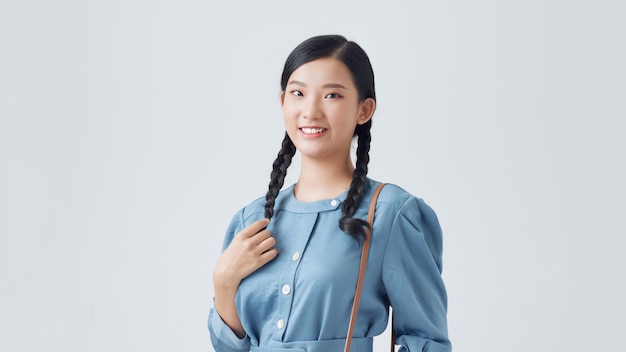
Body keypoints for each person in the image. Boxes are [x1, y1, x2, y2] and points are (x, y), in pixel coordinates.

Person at [208, 34, 451, 352]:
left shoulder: (391, 213)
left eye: (332, 95)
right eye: (298, 93)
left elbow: (426, 340)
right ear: (284, 102)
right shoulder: (251, 219)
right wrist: (223, 283)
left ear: (364, 110)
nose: (310, 111)